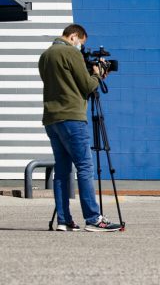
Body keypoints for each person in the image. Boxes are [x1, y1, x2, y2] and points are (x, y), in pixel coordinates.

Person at [38, 24, 121, 232]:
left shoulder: (45, 56)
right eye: (80, 43)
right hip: (72, 117)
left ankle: (64, 221)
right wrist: (97, 74)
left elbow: (61, 84)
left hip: (51, 118)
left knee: (62, 170)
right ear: (74, 36)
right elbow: (86, 86)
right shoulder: (69, 53)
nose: (80, 47)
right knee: (85, 166)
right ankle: (93, 218)